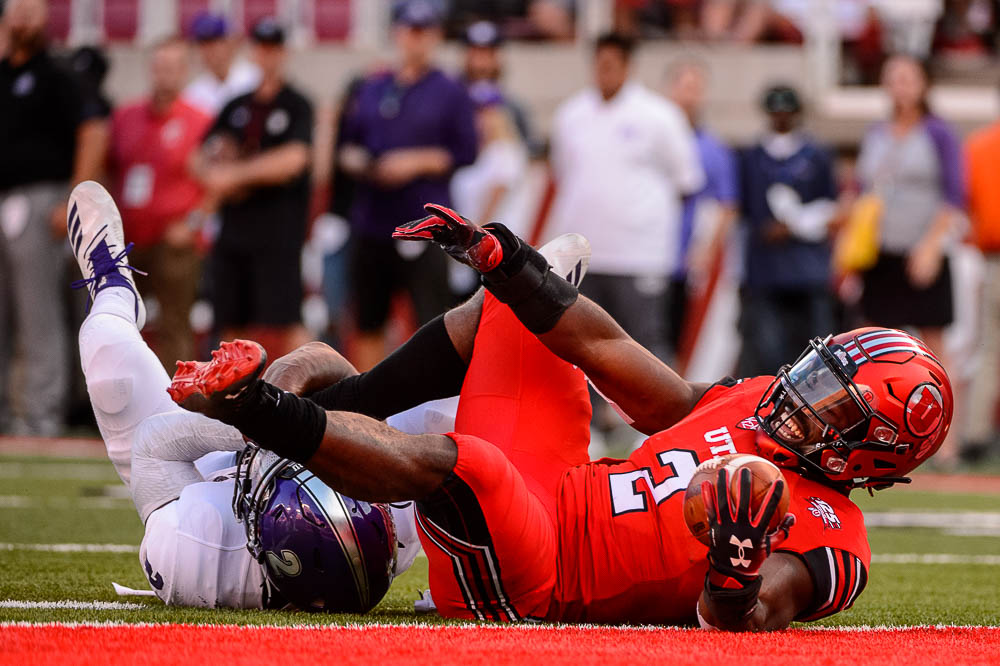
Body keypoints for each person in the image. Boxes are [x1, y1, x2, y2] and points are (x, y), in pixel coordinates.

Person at [173, 205, 952, 629]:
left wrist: (736, 563)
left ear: (868, 453)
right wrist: (509, 265)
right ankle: (326, 410)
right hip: (560, 485)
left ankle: (258, 408)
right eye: (816, 373)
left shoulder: (833, 540)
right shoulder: (752, 404)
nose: (801, 393)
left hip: (542, 580)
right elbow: (609, 348)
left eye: (830, 403)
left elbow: (743, 618)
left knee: (467, 462)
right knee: (505, 315)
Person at [66, 180, 426, 610]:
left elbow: (153, 446)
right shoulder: (398, 509)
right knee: (442, 415)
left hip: (186, 468)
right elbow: (322, 357)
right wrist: (284, 409)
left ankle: (111, 286)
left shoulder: (196, 556)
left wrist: (247, 425)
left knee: (109, 363)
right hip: (297, 451)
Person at [337, 0, 477, 370]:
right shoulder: (373, 85)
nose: (415, 39)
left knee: (433, 319)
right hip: (373, 218)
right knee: (368, 318)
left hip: (425, 222)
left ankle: (432, 406)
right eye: (409, 30)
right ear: (397, 33)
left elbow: (466, 150)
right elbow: (346, 146)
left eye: (423, 31)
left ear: (435, 36)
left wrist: (416, 161)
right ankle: (367, 405)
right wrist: (366, 164)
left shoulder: (449, 90)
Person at [548, 31, 703, 360]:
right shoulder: (570, 115)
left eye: (612, 64)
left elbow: (686, 183)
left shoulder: (660, 116)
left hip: (639, 255)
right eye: (599, 63)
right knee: (582, 347)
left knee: (645, 344)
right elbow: (564, 173)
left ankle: (659, 413)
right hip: (585, 256)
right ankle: (589, 413)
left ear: (628, 65)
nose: (605, 70)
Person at [855, 55, 964, 459]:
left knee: (934, 346)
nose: (899, 85)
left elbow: (955, 196)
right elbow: (864, 188)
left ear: (923, 84)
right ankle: (870, 432)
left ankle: (946, 445)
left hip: (923, 249)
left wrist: (932, 246)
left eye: (907, 78)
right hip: (880, 252)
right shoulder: (876, 132)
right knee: (868, 344)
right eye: (893, 77)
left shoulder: (938, 133)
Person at [0, 0, 100, 435]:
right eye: (16, 11)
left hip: (43, 198)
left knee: (39, 312)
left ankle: (42, 414)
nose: (23, 19)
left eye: (31, 10)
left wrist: (72, 198)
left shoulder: (60, 74)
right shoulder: (3, 74)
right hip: (5, 197)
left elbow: (94, 131)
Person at [192, 17, 313, 361]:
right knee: (230, 323)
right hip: (234, 230)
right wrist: (216, 172)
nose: (267, 54)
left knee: (286, 321)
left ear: (284, 52)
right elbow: (199, 155)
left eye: (274, 47)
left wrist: (234, 175)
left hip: (277, 232)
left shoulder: (296, 104)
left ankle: (317, 393)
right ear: (253, 51)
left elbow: (293, 160)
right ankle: (231, 401)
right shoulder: (236, 105)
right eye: (261, 47)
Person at [108, 37, 213, 370]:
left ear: (184, 72)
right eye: (159, 67)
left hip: (175, 240)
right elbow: (110, 170)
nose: (164, 75)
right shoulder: (126, 117)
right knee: (116, 321)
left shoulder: (201, 121)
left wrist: (194, 224)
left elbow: (216, 184)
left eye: (172, 67)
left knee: (173, 325)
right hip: (128, 239)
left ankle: (178, 405)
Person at [737, 84, 838, 377]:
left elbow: (831, 206)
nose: (781, 117)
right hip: (766, 269)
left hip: (809, 267)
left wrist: (796, 224)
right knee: (770, 350)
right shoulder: (751, 157)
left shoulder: (817, 155)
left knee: (817, 351)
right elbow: (744, 210)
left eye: (787, 111)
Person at [664, 59, 738, 354]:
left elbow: (727, 205)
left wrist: (706, 251)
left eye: (696, 88)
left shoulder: (713, 148)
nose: (690, 96)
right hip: (641, 255)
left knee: (675, 339)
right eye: (685, 87)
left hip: (682, 261)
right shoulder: (651, 139)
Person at [449, 82, 527, 297]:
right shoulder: (470, 153)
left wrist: (465, 246)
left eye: (487, 112)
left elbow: (491, 205)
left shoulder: (506, 152)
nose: (481, 119)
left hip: (495, 249)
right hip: (469, 249)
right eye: (476, 112)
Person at [961, 101, 1000, 461]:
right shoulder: (979, 145)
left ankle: (975, 434)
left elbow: (964, 204)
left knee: (988, 350)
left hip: (989, 258)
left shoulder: (978, 144)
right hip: (989, 254)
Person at [460, 20, 535, 153]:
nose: (481, 63)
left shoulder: (515, 107)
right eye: (476, 53)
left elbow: (531, 151)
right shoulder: (452, 105)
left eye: (488, 53)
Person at [182, 11, 261, 117]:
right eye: (203, 44)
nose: (209, 51)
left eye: (215, 42)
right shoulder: (192, 94)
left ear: (231, 43)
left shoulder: (256, 78)